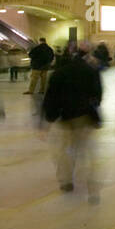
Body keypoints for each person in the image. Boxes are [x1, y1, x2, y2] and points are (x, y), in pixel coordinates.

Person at [42, 44, 103, 203]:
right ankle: (92, 186)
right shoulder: (89, 71)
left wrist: (49, 118)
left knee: (64, 150)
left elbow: (50, 97)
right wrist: (93, 109)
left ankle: (66, 181)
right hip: (85, 116)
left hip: (65, 116)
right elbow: (97, 93)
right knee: (86, 150)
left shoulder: (59, 73)